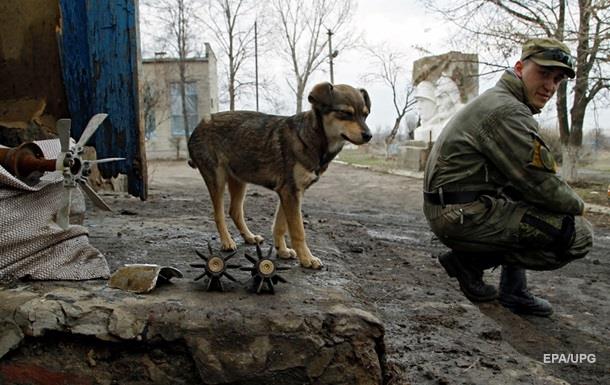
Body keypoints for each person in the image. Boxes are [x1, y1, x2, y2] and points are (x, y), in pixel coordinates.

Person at [422, 37, 593, 317]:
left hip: (458, 207)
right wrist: (581, 207)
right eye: (543, 73)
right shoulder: (507, 111)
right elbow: (542, 185)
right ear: (519, 68)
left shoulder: (502, 101)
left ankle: (513, 290)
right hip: (460, 214)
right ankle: (470, 262)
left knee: (527, 206)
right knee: (579, 235)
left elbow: (527, 185)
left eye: (558, 79)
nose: (550, 86)